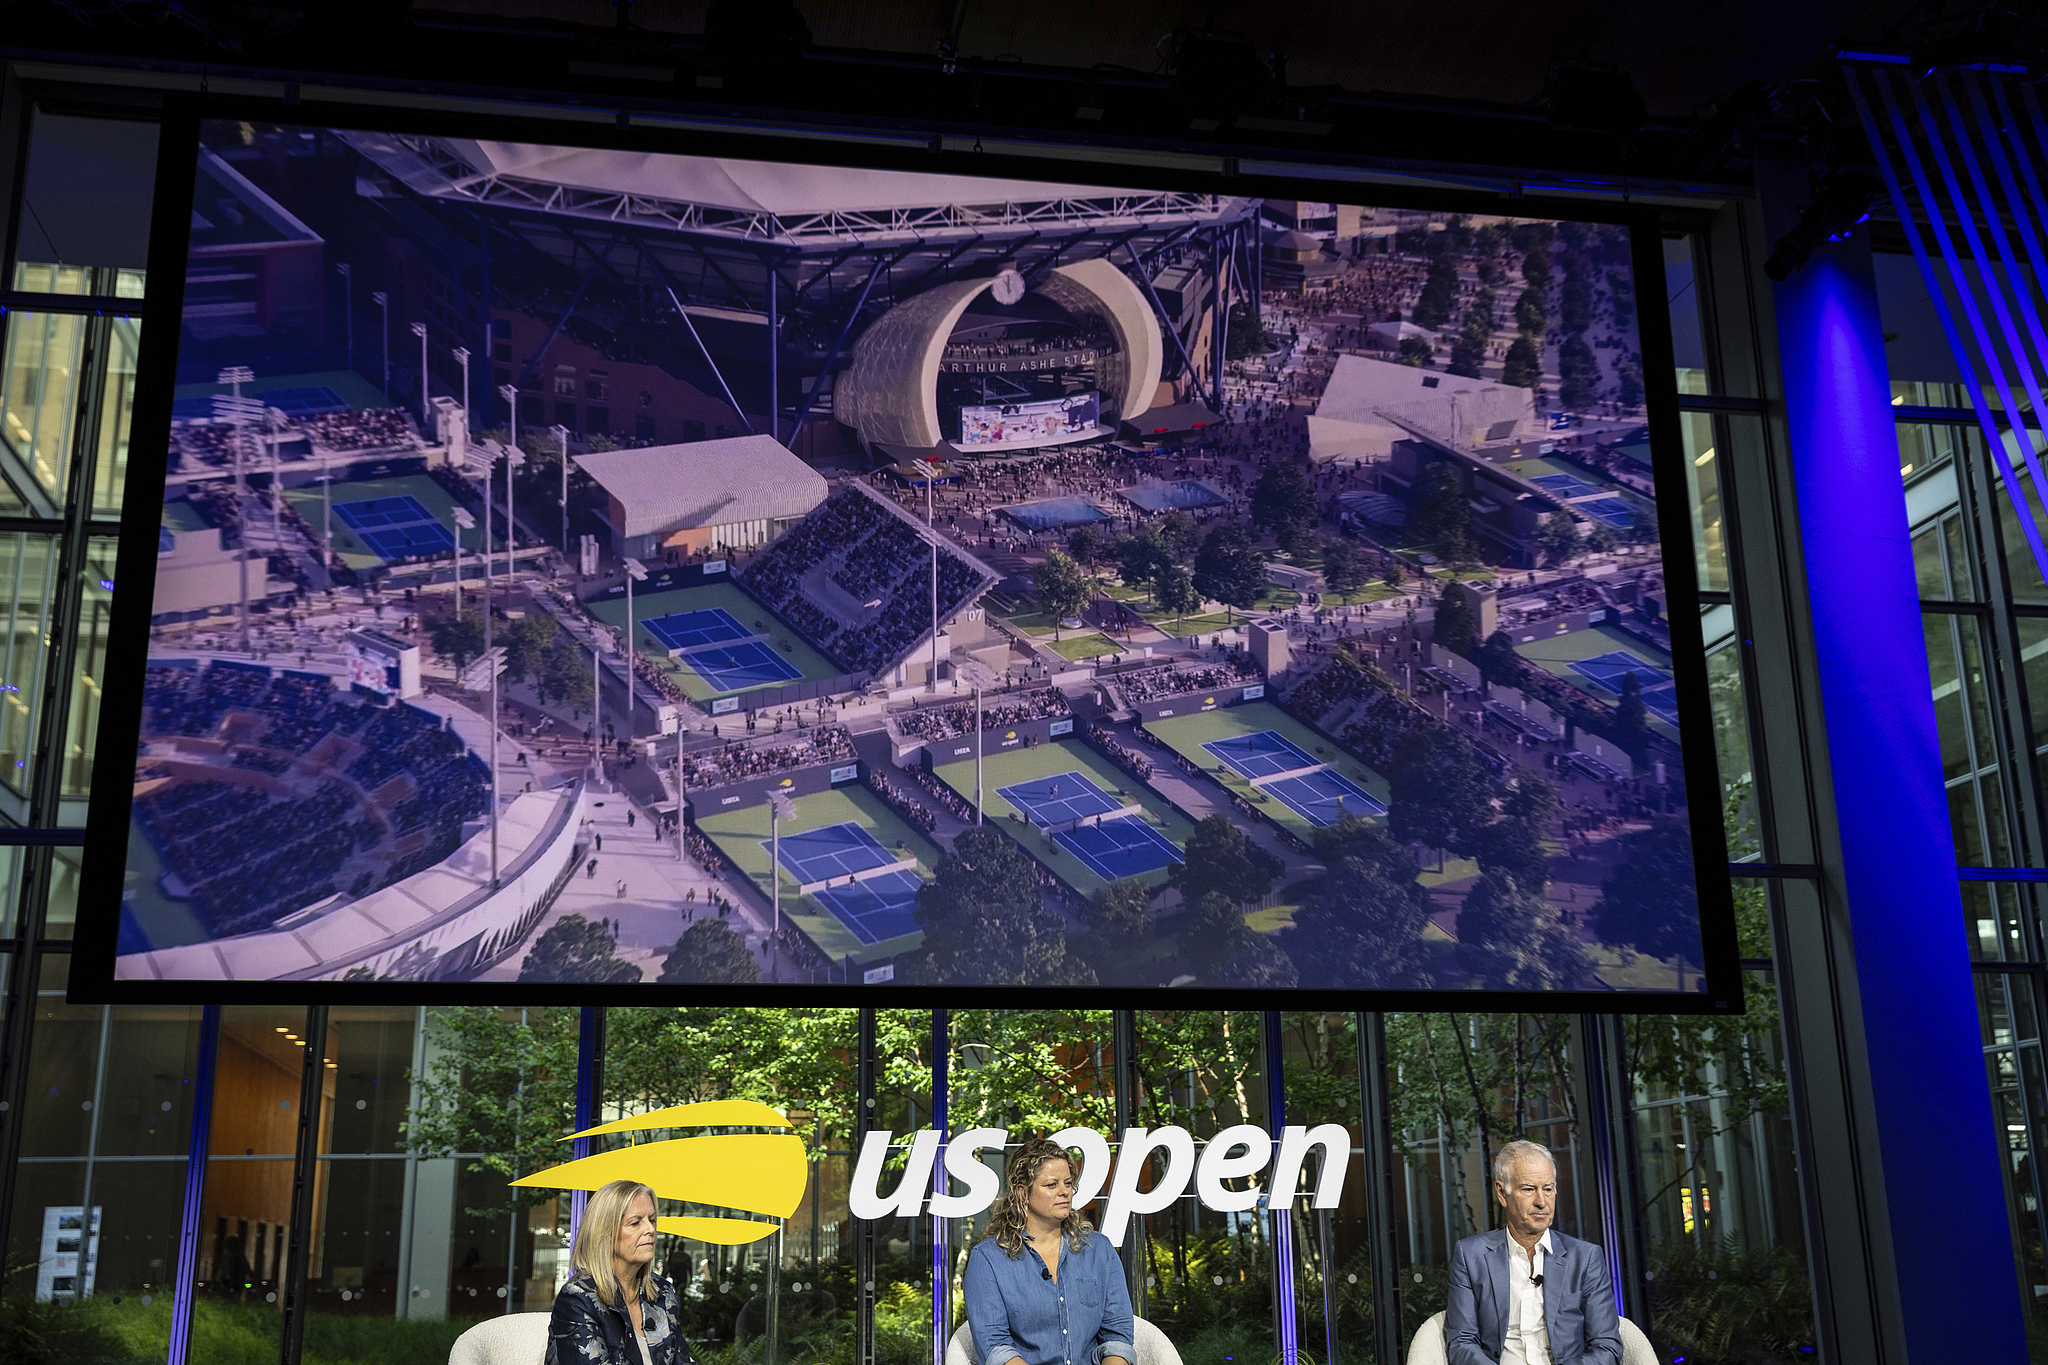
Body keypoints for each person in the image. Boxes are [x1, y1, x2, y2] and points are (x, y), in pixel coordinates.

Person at [1445, 1139, 1621, 1365]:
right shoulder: (1471, 1256)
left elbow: (1607, 1346)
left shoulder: (1585, 1258)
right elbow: (1461, 1342)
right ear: (1502, 1192)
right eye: (1529, 1189)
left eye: (1548, 1189)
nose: (1541, 1202)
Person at [963, 1138, 1134, 1365]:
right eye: (1051, 1185)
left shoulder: (1099, 1249)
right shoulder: (988, 1259)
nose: (1064, 1192)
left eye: (1068, 1183)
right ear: (1022, 1192)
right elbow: (996, 1347)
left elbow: (1117, 1335)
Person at [547, 1179, 693, 1365]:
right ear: (604, 1233)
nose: (650, 1229)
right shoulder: (577, 1299)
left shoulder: (663, 1293)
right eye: (635, 1223)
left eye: (652, 1220)